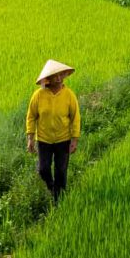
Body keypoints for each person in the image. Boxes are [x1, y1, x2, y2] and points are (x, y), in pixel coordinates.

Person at [26, 59, 80, 203]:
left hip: (63, 139)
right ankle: (51, 187)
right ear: (48, 78)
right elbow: (31, 116)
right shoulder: (38, 95)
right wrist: (30, 138)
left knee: (61, 171)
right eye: (55, 75)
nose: (58, 77)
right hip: (44, 140)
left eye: (61, 74)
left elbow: (75, 118)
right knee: (43, 169)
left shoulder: (69, 95)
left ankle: (59, 200)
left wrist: (74, 140)